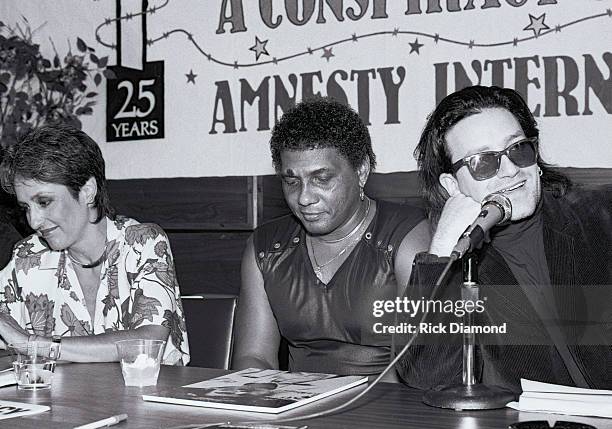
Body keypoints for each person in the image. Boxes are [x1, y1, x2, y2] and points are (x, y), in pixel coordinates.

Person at [397, 85, 611, 392]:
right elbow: (430, 377)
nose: (511, 170)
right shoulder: (461, 260)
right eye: (483, 162)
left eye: (518, 149)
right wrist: (443, 248)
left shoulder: (601, 216)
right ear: (452, 185)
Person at [232, 97, 430, 378]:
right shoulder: (266, 248)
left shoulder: (408, 238)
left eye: (321, 179)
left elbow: (419, 368)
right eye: (292, 181)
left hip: (388, 410)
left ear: (361, 171)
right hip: (298, 411)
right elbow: (255, 357)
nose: (304, 197)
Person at [0, 124, 189, 365]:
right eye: (26, 207)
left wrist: (33, 344)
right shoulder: (27, 256)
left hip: (151, 400)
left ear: (87, 191)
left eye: (44, 202)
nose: (33, 220)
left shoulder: (143, 243)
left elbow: (147, 343)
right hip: (65, 402)